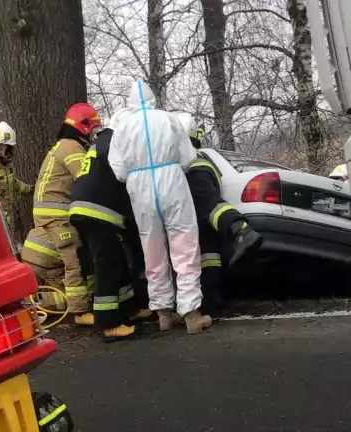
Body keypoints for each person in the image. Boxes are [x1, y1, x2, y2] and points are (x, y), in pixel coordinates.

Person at [108, 80, 212, 334]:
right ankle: (190, 313)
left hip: (139, 185)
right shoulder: (169, 119)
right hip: (171, 180)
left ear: (130, 103)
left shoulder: (122, 127)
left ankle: (163, 313)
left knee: (151, 247)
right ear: (153, 98)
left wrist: (137, 173)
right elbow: (188, 157)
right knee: (184, 243)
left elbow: (118, 169)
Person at [70, 109, 152, 341]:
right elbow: (128, 181)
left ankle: (130, 310)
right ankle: (108, 325)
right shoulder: (115, 143)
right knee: (107, 266)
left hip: (83, 207)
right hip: (98, 211)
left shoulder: (101, 142)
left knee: (115, 261)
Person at [177, 113, 263, 316]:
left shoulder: (187, 159)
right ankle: (211, 301)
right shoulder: (201, 157)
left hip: (194, 183)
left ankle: (240, 230)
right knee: (209, 251)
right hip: (201, 202)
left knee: (209, 208)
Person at [33, 103, 102, 326]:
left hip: (54, 213)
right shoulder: (72, 148)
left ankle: (84, 303)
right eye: (93, 129)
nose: (94, 134)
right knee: (74, 262)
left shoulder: (63, 145)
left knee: (77, 258)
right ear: (84, 128)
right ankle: (80, 312)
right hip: (57, 215)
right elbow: (87, 178)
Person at [0, 121, 33, 235]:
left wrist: (28, 189)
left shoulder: (5, 163)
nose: (8, 151)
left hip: (8, 217)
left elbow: (12, 181)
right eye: (6, 147)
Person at [21, 227, 67, 311]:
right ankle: (41, 305)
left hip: (26, 256)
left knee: (36, 289)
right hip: (45, 264)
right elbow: (74, 267)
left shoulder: (49, 220)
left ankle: (32, 303)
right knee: (70, 297)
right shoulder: (71, 235)